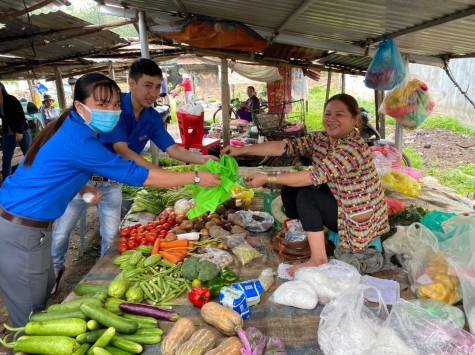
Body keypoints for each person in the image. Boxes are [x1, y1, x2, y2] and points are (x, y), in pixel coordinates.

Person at [0, 72, 220, 327]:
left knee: (41, 292)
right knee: (28, 317)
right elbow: (135, 174)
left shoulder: (71, 126)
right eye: (102, 104)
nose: (112, 111)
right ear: (79, 105)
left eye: (115, 104)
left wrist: (83, 188)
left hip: (25, 227)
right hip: (19, 230)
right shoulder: (79, 138)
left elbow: (56, 166)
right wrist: (194, 177)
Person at [51, 59, 218, 295]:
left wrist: (203, 159)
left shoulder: (151, 117)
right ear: (131, 83)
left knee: (110, 237)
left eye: (158, 86)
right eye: (148, 85)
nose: (153, 93)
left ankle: (101, 284)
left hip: (112, 184)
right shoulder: (116, 110)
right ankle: (54, 275)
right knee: (61, 234)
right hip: (82, 182)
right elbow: (123, 151)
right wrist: (164, 175)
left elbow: (172, 149)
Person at [222, 93, 389, 276]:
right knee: (291, 189)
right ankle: (306, 237)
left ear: (355, 119)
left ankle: (318, 259)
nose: (331, 119)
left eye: (339, 115)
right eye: (328, 114)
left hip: (356, 215)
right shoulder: (322, 139)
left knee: (308, 196)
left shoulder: (353, 147)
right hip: (340, 200)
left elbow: (313, 176)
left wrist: (267, 177)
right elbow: (282, 147)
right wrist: (241, 150)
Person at [0, 82, 32, 181]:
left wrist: (19, 131)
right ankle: (6, 181)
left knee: (28, 155)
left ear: (1, 88)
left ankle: (32, 177)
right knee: (6, 158)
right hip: (8, 133)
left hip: (21, 130)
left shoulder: (11, 99)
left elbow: (21, 117)